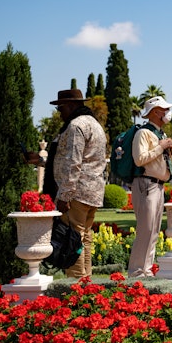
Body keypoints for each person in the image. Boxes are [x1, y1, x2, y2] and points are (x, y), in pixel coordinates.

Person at [48, 89, 107, 279]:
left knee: (71, 240)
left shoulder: (76, 125)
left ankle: (74, 287)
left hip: (77, 193)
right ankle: (86, 282)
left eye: (61, 108)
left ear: (72, 106)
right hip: (93, 192)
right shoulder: (95, 125)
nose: (59, 112)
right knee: (84, 238)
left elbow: (73, 162)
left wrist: (64, 195)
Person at [127, 95, 172, 277]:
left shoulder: (159, 134)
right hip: (145, 185)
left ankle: (146, 270)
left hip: (157, 185)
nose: (167, 113)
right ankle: (136, 272)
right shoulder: (143, 133)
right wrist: (161, 147)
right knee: (146, 230)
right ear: (155, 112)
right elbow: (139, 160)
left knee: (153, 230)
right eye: (164, 110)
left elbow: (157, 160)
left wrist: (167, 149)